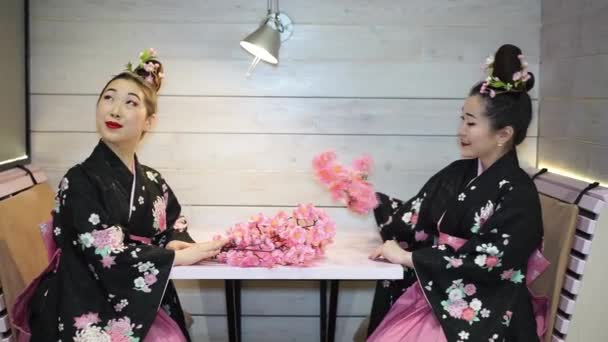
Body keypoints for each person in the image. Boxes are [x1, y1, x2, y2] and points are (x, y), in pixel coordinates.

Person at [12, 48, 226, 341]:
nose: (114, 110)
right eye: (108, 98)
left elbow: (171, 222)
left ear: (149, 121)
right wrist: (174, 259)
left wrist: (176, 243)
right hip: (85, 295)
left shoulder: (152, 179)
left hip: (134, 292)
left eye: (130, 102)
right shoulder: (80, 180)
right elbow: (104, 251)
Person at [366, 44, 547, 341]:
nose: (461, 130)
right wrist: (367, 197)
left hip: (488, 307)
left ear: (504, 134)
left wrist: (410, 259)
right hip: (443, 293)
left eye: (471, 123)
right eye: (462, 118)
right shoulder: (458, 172)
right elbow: (416, 219)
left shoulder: (519, 193)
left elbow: (489, 262)